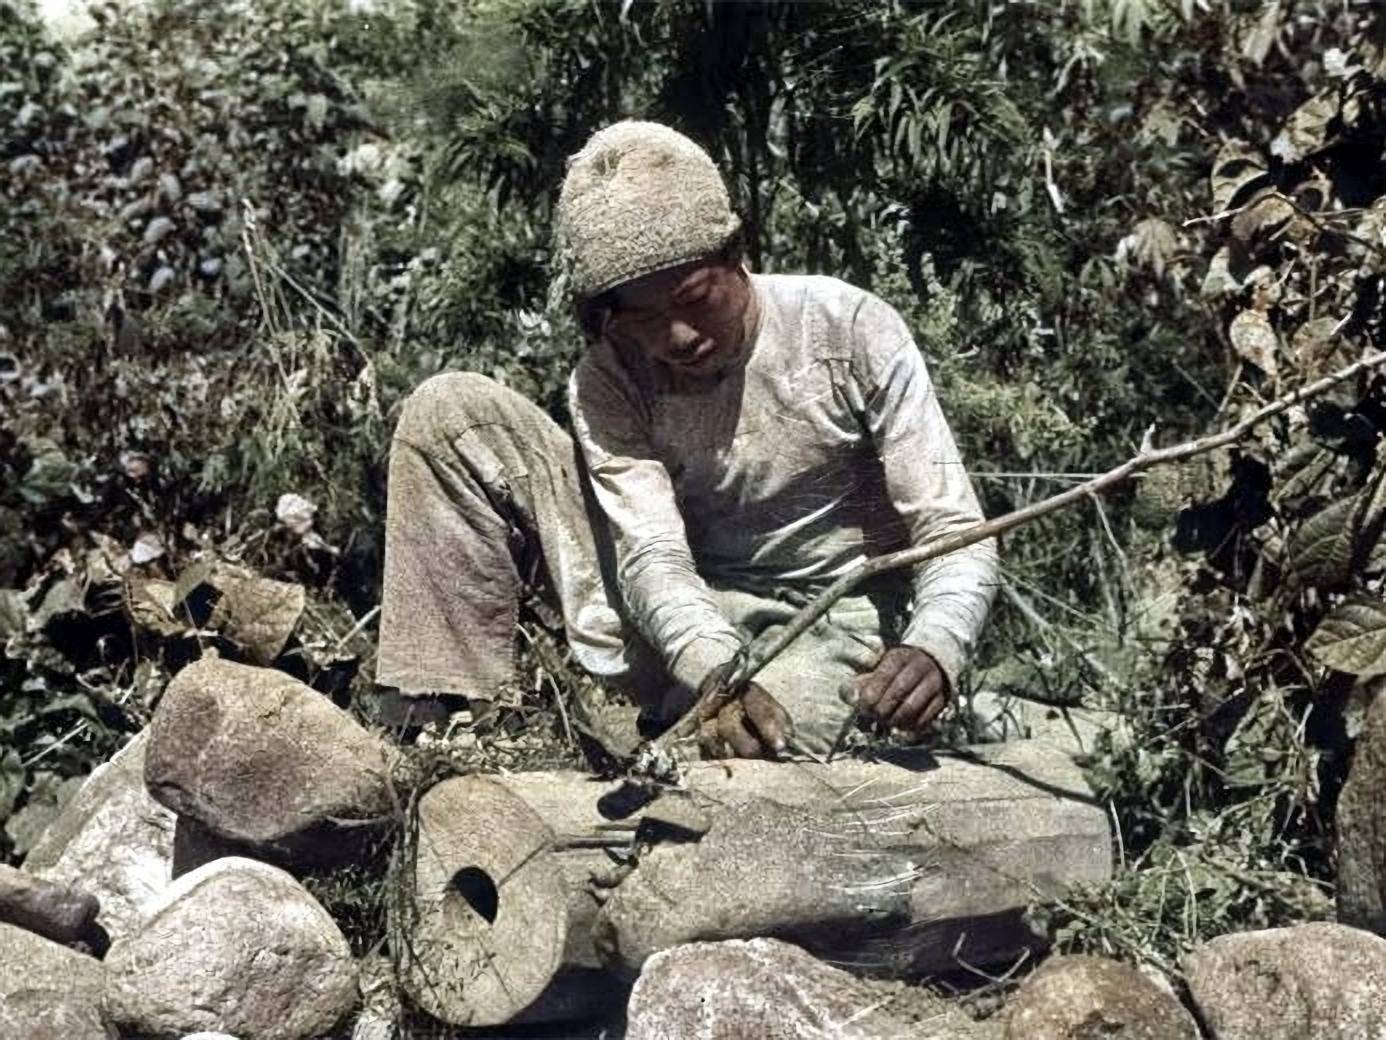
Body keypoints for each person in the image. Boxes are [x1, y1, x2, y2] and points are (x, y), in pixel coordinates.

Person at [376, 121, 999, 757]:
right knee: (452, 414)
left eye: (694, 299)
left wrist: (936, 646)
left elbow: (952, 528)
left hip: (840, 625)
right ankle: (440, 728)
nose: (676, 337)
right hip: (682, 612)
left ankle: (671, 730)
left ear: (735, 256)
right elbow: (651, 557)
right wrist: (717, 669)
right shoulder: (610, 374)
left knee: (771, 743)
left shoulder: (848, 330)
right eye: (642, 317)